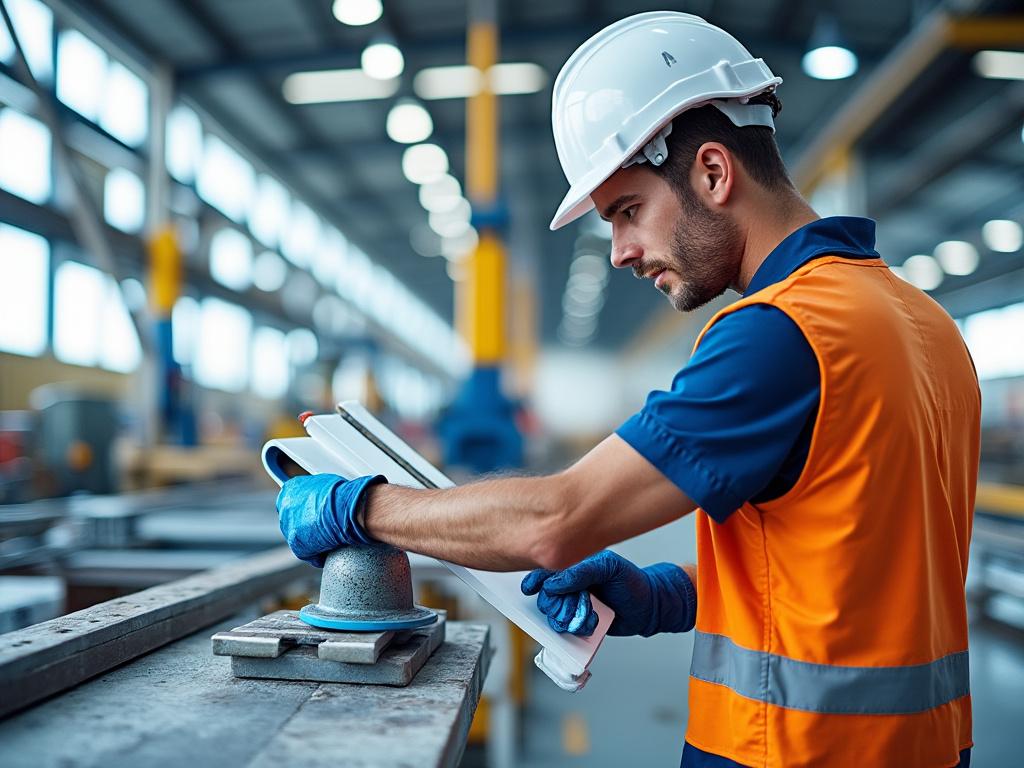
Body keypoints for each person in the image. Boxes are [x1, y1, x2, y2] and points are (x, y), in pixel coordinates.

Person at [276, 12, 979, 768]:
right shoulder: (924, 324)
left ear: (713, 173)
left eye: (627, 212)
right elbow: (853, 572)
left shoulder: (780, 334)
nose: (619, 253)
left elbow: (556, 522)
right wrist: (664, 595)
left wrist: (361, 506)